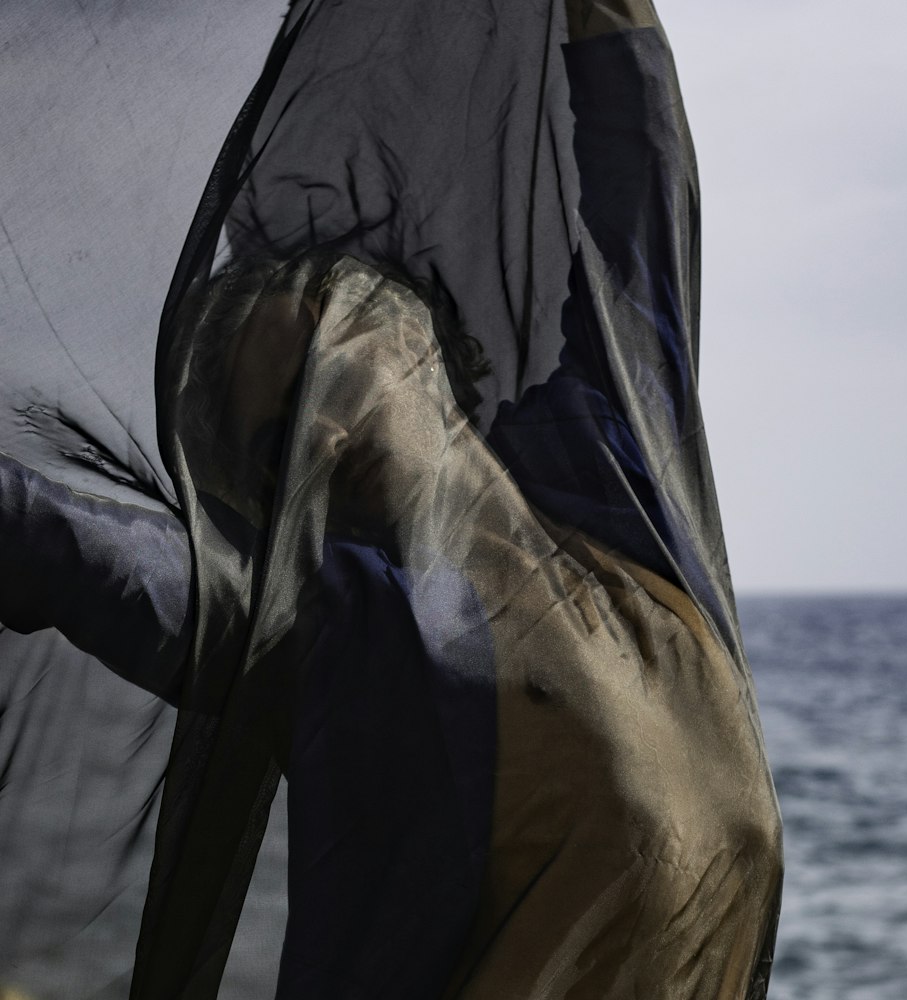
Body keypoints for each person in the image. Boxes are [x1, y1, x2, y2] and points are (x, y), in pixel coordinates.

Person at [0, 0, 783, 996]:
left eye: (322, 374)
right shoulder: (340, 642)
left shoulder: (615, 483)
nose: (322, 436)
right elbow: (74, 552)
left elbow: (633, 196)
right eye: (276, 445)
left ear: (414, 336)